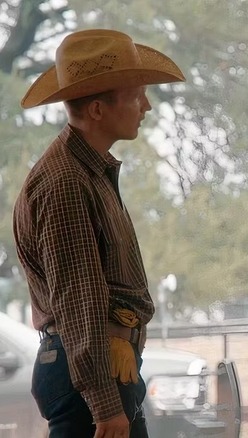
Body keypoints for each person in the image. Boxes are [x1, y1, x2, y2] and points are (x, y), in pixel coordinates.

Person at [13, 29, 184, 438]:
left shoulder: (86, 171)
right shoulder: (68, 183)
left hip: (97, 370)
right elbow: (78, 300)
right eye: (136, 96)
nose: (146, 106)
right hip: (89, 376)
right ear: (97, 110)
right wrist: (105, 406)